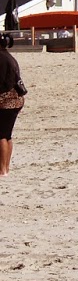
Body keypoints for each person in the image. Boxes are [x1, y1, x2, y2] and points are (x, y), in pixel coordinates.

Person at [0, 34, 28, 176]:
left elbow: (4, 84)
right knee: (7, 135)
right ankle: (5, 168)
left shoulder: (2, 58)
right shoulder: (8, 57)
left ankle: (2, 169)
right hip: (15, 100)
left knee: (1, 136)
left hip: (7, 101)